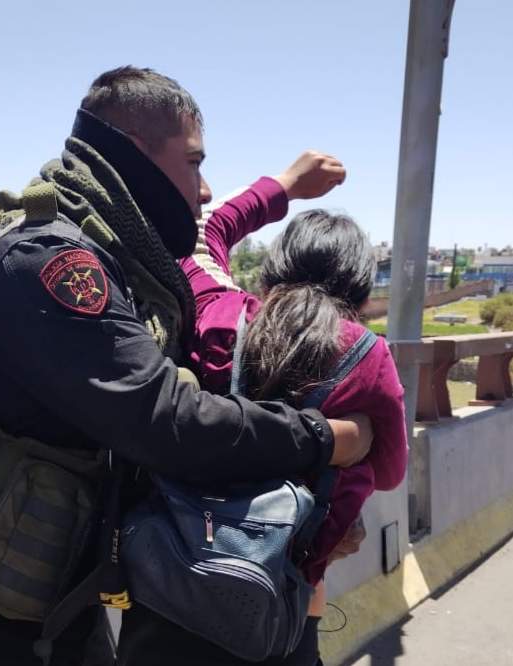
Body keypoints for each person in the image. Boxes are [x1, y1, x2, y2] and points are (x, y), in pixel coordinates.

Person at [0, 67, 371, 666]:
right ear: (138, 153)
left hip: (44, 603)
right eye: (193, 163)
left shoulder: (99, 251)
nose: (202, 189)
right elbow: (163, 418)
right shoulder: (48, 262)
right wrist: (326, 440)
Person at [118, 153, 409, 666]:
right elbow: (388, 473)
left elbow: (204, 228)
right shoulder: (368, 355)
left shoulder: (219, 313)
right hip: (283, 613)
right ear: (361, 292)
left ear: (272, 270)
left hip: (172, 587)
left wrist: (287, 184)